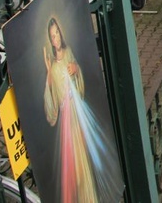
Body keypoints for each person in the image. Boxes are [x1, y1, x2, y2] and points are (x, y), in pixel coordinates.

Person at [42, 17, 97, 201]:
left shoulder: (68, 52)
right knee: (71, 162)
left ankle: (87, 196)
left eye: (57, 33)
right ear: (50, 40)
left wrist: (76, 68)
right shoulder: (53, 64)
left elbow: (78, 79)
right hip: (66, 117)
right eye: (52, 36)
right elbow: (51, 101)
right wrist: (49, 72)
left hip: (77, 112)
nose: (55, 38)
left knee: (82, 156)